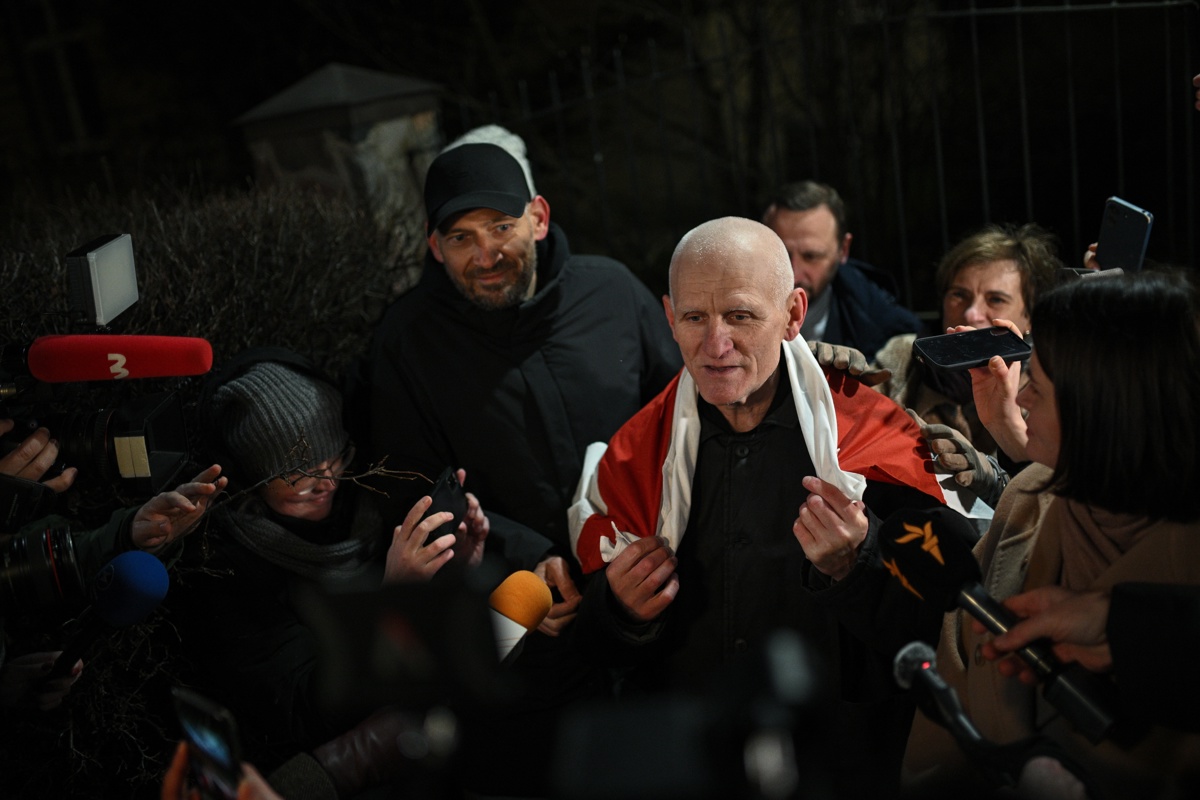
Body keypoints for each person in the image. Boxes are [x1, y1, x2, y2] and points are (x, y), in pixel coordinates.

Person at [568, 216, 980, 798]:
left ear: (793, 313)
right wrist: (619, 612)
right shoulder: (632, 457)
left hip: (843, 769)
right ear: (667, 317)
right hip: (693, 766)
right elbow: (590, 652)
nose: (716, 346)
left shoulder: (875, 438)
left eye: (740, 316)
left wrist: (856, 567)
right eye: (694, 318)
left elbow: (947, 633)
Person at [360, 137, 682, 794]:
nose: (485, 255)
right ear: (433, 247)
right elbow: (409, 490)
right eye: (460, 237)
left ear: (538, 216)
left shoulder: (614, 293)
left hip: (649, 580)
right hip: (518, 604)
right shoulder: (404, 344)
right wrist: (525, 557)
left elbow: (681, 414)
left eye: (501, 227)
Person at [896, 270, 1200, 798]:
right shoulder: (1025, 500)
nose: (1022, 397)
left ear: (1105, 405)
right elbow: (946, 718)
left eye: (1037, 380)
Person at [167, 348, 529, 779]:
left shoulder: (365, 506)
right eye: (297, 474)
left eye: (334, 457)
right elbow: (299, 713)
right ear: (255, 476)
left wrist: (458, 567)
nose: (325, 482)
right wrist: (391, 598)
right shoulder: (227, 571)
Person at [873, 223, 1062, 505]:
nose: (971, 313)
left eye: (996, 299)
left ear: (1030, 318)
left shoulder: (1048, 387)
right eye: (958, 295)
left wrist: (1006, 432)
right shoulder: (904, 353)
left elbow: (1049, 507)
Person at [762, 180, 921, 361]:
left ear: (843, 249)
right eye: (781, 253)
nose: (794, 273)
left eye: (811, 256)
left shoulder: (885, 327)